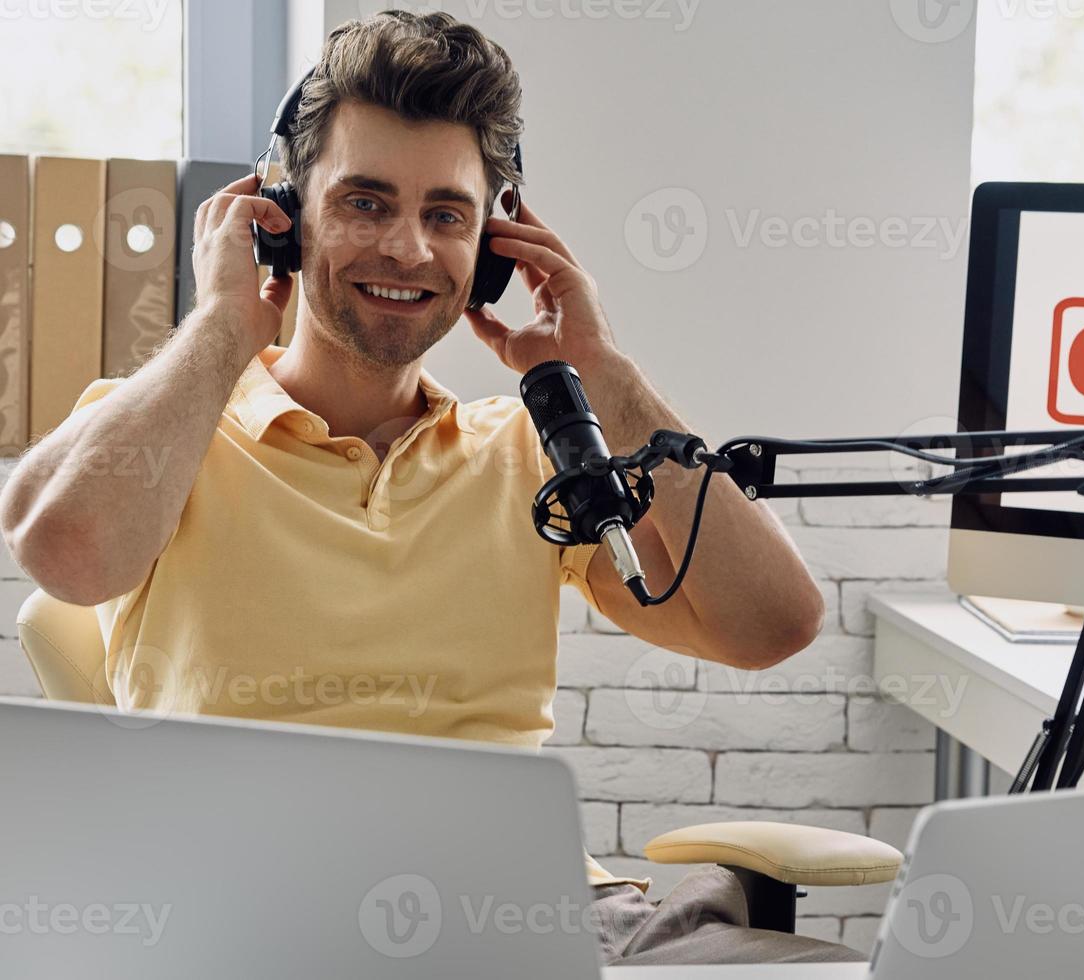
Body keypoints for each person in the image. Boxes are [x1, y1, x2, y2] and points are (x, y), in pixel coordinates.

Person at [0, 7, 864, 967]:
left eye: (445, 215)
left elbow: (770, 625)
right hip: (256, 925)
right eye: (364, 203)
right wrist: (219, 325)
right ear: (283, 218)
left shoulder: (534, 458)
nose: (408, 249)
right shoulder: (170, 427)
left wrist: (601, 373)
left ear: (493, 249)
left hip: (525, 922)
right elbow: (66, 554)